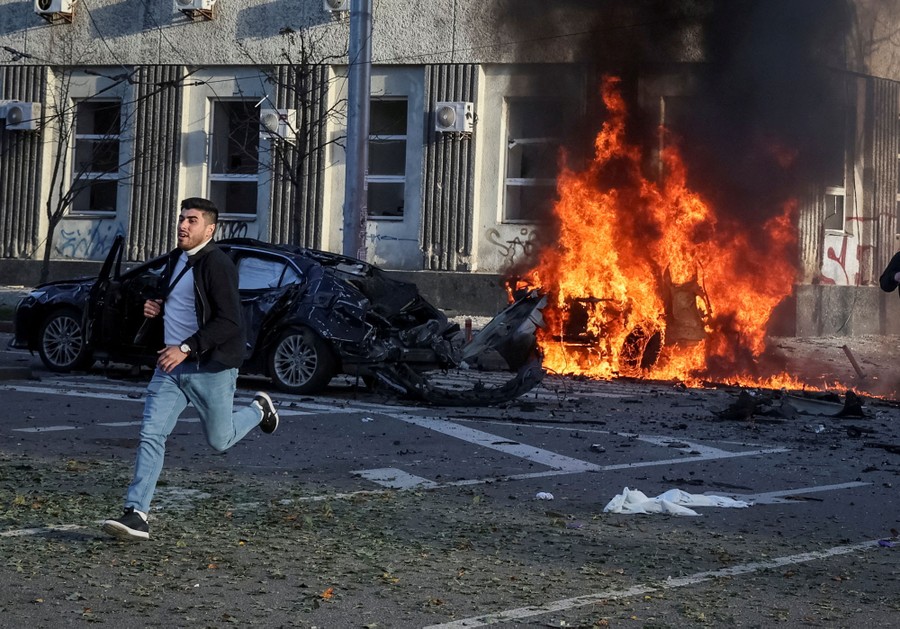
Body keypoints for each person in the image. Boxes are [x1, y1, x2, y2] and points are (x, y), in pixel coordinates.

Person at [102, 197, 279, 541]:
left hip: (209, 368)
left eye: (192, 220)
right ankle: (137, 513)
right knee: (151, 435)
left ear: (209, 229)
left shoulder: (219, 264)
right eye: (182, 218)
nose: (183, 225)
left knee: (220, 440)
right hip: (169, 369)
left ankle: (259, 409)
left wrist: (186, 348)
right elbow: (181, 302)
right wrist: (156, 306)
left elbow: (230, 322)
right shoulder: (176, 259)